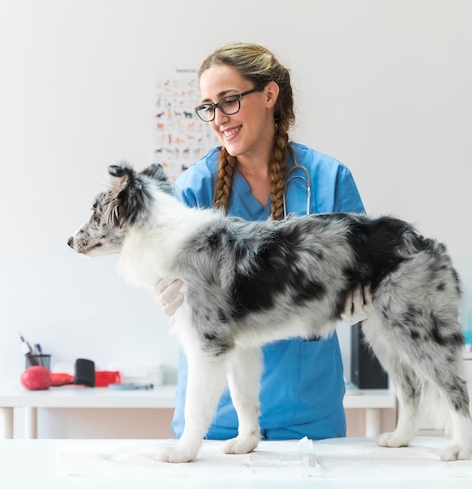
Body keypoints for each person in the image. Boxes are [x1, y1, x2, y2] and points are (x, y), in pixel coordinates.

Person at [155, 42, 367, 441]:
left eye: (229, 101)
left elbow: (363, 283)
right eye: (208, 107)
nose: (218, 118)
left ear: (269, 95)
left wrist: (357, 299)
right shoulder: (192, 191)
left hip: (307, 413)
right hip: (216, 421)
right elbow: (178, 298)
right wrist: (169, 295)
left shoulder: (329, 179)